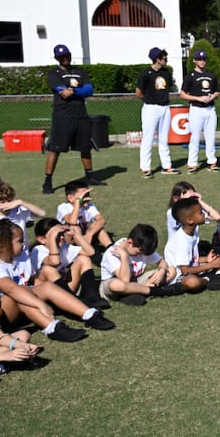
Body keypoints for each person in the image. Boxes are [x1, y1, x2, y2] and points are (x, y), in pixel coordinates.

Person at [0, 219, 114, 342]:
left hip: (27, 306)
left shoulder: (21, 257)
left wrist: (55, 296)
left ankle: (89, 315)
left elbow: (34, 281)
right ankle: (53, 328)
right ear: (2, 246)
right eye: (19, 241)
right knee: (20, 293)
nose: (24, 244)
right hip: (3, 315)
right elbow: (12, 290)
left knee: (44, 285)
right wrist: (40, 304)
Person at [43, 44, 106, 194]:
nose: (65, 58)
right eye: (61, 56)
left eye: (67, 55)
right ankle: (47, 181)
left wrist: (73, 91)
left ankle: (90, 176)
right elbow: (61, 92)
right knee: (55, 149)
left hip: (81, 116)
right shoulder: (54, 73)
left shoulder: (79, 72)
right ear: (57, 58)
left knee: (85, 148)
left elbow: (89, 90)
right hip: (62, 117)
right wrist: (78, 91)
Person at [164, 196, 220, 292]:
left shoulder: (192, 232)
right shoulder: (182, 240)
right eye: (200, 213)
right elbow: (185, 270)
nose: (204, 214)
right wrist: (210, 265)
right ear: (190, 220)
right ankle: (208, 279)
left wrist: (206, 260)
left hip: (194, 269)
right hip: (181, 277)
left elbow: (191, 259)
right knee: (192, 282)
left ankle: (218, 277)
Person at [99, 224, 182, 306]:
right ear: (129, 242)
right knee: (117, 285)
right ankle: (154, 291)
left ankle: (135, 293)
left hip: (136, 282)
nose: (141, 255)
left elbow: (162, 261)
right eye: (139, 252)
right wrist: (124, 257)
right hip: (113, 285)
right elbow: (125, 281)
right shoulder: (112, 253)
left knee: (171, 270)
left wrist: (162, 270)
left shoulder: (143, 248)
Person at [135, 47, 180, 178]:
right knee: (148, 138)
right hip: (150, 108)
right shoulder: (145, 73)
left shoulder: (166, 72)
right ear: (157, 59)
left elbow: (167, 87)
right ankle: (145, 168)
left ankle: (167, 166)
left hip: (165, 107)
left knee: (164, 139)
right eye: (163, 57)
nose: (166, 59)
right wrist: (149, 100)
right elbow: (138, 93)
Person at [179, 50, 220, 174]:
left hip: (210, 109)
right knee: (195, 137)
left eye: (203, 59)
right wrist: (198, 98)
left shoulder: (211, 75)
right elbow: (182, 94)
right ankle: (192, 164)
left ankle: (212, 162)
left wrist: (212, 97)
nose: (202, 61)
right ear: (194, 60)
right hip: (196, 109)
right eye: (199, 59)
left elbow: (217, 92)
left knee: (210, 136)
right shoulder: (190, 76)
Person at [56, 180, 113, 261]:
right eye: (84, 196)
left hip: (85, 238)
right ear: (70, 198)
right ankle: (96, 257)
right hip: (67, 242)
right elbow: (72, 221)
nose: (88, 198)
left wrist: (89, 234)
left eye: (88, 195)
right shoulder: (63, 207)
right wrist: (78, 203)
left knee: (99, 228)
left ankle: (112, 250)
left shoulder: (89, 206)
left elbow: (101, 220)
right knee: (74, 228)